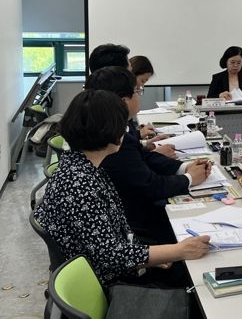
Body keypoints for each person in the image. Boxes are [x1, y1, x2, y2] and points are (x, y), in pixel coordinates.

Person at [34, 89, 210, 286]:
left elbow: (114, 238)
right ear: (108, 131)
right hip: (111, 282)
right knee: (198, 278)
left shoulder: (81, 165)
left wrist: (153, 255)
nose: (125, 132)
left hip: (114, 266)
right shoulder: (80, 185)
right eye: (122, 125)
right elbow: (110, 256)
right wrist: (177, 251)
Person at [85, 67, 211, 245]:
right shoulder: (111, 138)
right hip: (136, 223)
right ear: (123, 101)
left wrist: (183, 167)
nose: (140, 95)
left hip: (129, 214)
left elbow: (143, 156)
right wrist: (189, 178)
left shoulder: (112, 128)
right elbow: (149, 185)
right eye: (137, 91)